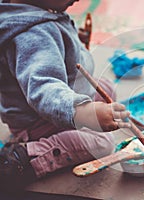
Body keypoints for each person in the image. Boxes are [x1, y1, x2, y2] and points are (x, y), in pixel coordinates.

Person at [0, 0, 131, 191]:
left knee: (106, 89)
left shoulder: (38, 11)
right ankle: (26, 156)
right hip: (38, 119)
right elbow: (43, 89)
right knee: (101, 144)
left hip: (61, 96)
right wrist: (83, 112)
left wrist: (72, 43)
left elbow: (50, 52)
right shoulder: (34, 35)